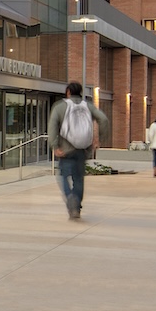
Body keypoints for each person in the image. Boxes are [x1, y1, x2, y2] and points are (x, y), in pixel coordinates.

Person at [46, 81, 108, 219]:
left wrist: (55, 146)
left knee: (63, 176)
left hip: (65, 150)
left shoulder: (60, 107)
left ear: (68, 92)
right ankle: (77, 205)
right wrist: (99, 138)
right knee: (79, 179)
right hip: (83, 150)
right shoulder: (88, 106)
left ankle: (70, 198)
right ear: (80, 92)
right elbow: (103, 119)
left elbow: (52, 127)